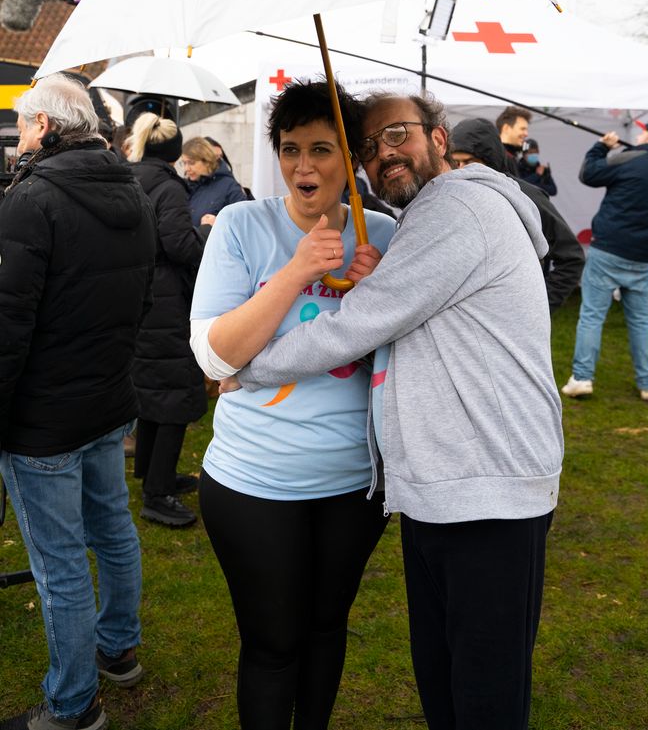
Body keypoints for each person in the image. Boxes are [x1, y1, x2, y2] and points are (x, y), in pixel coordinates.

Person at [219, 91, 563, 730]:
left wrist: (244, 368)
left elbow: (356, 327)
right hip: (444, 487)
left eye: (398, 135)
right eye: (370, 147)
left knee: (482, 694)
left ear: (439, 137)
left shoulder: (455, 209)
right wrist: (382, 278)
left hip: (485, 490)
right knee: (446, 679)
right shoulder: (432, 215)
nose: (384, 155)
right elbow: (407, 311)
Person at [189, 80, 396, 730]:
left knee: (327, 628)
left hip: (355, 483)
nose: (303, 166)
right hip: (254, 482)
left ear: (352, 154)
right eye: (288, 148)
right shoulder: (244, 226)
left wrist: (374, 292)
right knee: (275, 643)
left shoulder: (386, 235)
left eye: (321, 148)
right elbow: (215, 357)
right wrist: (298, 268)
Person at [0, 74, 156, 730]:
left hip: (48, 416)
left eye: (24, 122)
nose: (17, 134)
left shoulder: (33, 198)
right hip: (104, 397)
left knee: (61, 562)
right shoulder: (130, 186)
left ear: (44, 125)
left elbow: (7, 324)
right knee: (111, 528)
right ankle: (117, 646)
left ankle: (74, 704)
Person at [563, 119, 648, 401]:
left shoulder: (627, 159)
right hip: (643, 258)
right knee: (640, 320)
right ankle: (647, 383)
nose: (637, 133)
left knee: (592, 315)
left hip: (608, 250)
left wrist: (601, 147)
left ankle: (582, 378)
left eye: (642, 131)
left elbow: (589, 174)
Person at [129, 114, 208, 527]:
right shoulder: (168, 186)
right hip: (165, 301)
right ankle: (157, 494)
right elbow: (178, 242)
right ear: (176, 153)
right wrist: (204, 236)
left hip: (138, 295)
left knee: (150, 389)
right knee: (174, 393)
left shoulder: (130, 178)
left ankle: (150, 471)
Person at [451, 118, 583, 312]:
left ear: (489, 158)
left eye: (469, 161)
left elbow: (571, 256)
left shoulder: (526, 196)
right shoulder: (451, 196)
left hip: (516, 319)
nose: (462, 169)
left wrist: (539, 306)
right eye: (456, 162)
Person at [181, 136, 247, 226]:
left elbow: (244, 221)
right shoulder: (183, 186)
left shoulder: (229, 186)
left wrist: (219, 223)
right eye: (184, 163)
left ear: (206, 161)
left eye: (191, 163)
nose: (186, 168)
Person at [495, 105, 532, 176]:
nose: (526, 134)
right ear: (506, 128)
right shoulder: (498, 158)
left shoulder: (511, 156)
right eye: (522, 129)